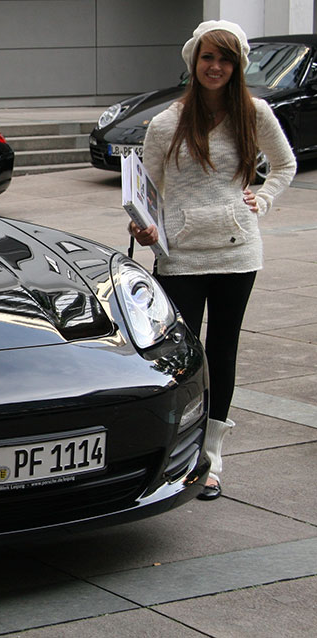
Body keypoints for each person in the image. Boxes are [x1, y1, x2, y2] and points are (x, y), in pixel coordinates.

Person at [130, 20, 296, 501]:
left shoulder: (255, 114)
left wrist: (260, 202)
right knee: (181, 356)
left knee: (222, 350)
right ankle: (174, 451)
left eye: (225, 59)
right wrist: (142, 227)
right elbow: (147, 192)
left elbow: (284, 166)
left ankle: (212, 457)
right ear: (193, 62)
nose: (216, 66)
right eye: (208, 57)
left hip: (237, 252)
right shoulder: (165, 124)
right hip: (179, 255)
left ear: (237, 65)